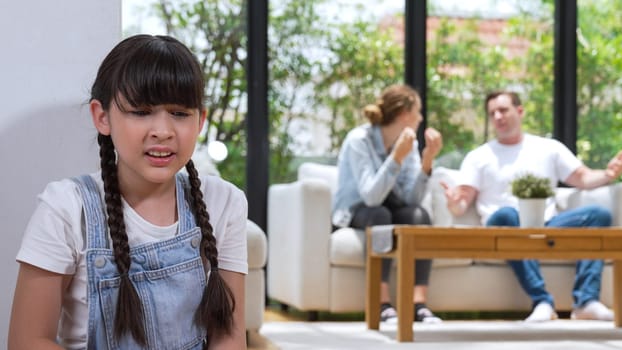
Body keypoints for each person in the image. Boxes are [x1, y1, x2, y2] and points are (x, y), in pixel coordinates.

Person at [8, 34, 248, 349]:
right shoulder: (65, 207)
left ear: (200, 120)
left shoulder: (224, 202)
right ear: (102, 117)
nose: (162, 131)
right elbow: (27, 341)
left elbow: (228, 338)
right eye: (141, 111)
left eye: (179, 113)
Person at [442, 90, 622, 322]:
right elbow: (461, 203)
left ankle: (586, 302)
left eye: (503, 110)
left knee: (598, 215)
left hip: (546, 226)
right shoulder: (479, 157)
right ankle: (542, 302)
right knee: (507, 214)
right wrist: (455, 203)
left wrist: (608, 174)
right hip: (504, 228)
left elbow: (583, 178)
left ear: (520, 111)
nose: (498, 116)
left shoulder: (549, 148)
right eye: (492, 113)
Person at [332, 84, 443, 323]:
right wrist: (396, 158)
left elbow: (409, 200)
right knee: (379, 214)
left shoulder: (409, 145)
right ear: (404, 114)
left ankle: (418, 304)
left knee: (418, 215)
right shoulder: (359, 140)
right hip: (357, 210)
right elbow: (371, 197)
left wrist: (426, 162)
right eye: (418, 112)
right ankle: (381, 304)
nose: (421, 118)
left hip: (390, 207)